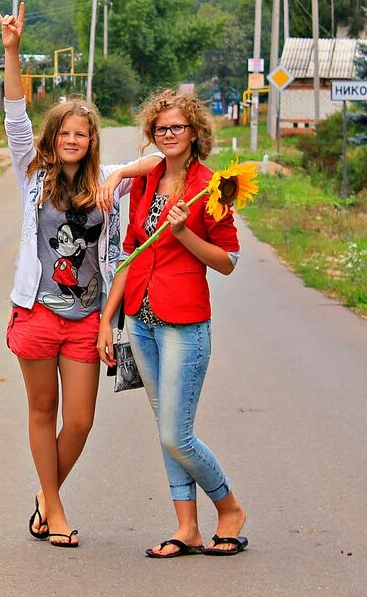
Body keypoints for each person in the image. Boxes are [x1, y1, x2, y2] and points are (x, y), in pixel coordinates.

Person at [0, 3, 159, 549]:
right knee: (43, 412)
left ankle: (45, 499)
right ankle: (56, 509)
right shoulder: (33, 176)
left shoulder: (109, 181)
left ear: (92, 142)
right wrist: (13, 50)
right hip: (38, 314)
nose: (73, 140)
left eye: (82, 135)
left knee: (82, 421)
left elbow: (156, 162)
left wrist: (134, 168)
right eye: (65, 132)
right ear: (53, 136)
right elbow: (14, 115)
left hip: (87, 319)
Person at [97, 88, 248, 559]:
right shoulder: (147, 180)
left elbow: (228, 261)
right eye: (160, 128)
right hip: (140, 321)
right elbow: (130, 253)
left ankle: (229, 508)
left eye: (177, 127)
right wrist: (109, 321)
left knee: (174, 433)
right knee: (166, 425)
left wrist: (183, 234)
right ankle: (187, 528)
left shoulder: (214, 187)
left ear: (195, 131)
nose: (168, 134)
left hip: (183, 323)